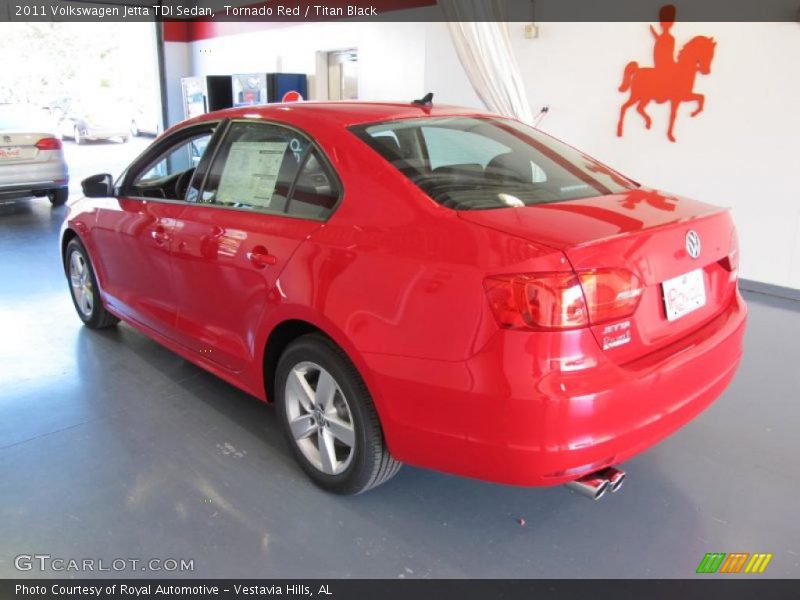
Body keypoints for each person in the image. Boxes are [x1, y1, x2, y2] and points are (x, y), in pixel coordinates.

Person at [650, 4, 677, 74]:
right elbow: (660, 54)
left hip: (667, 64)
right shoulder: (667, 39)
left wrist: (656, 35)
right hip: (662, 65)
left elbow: (669, 54)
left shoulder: (670, 39)